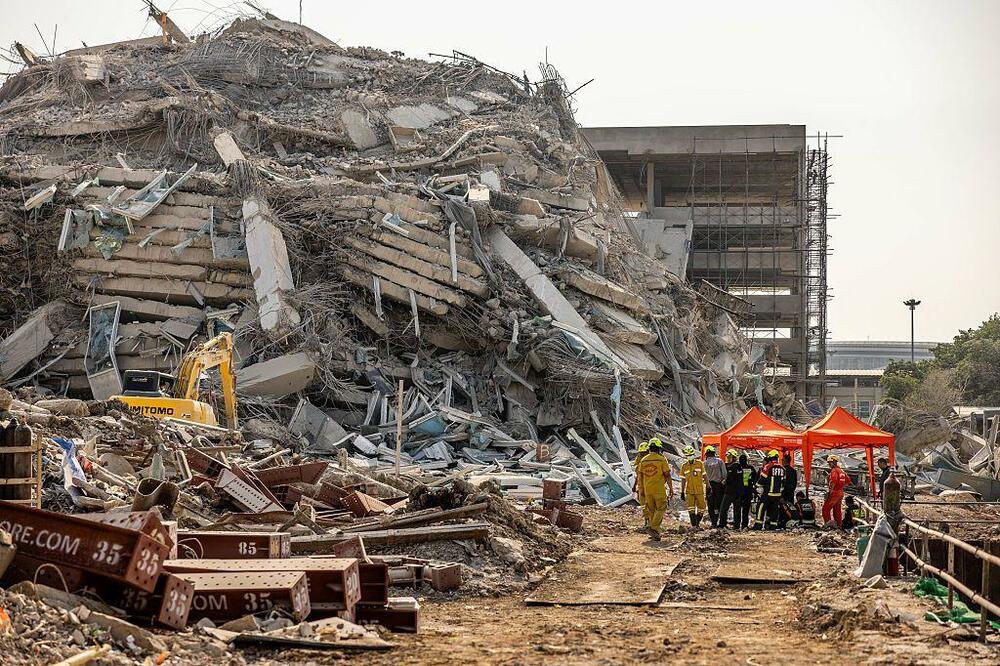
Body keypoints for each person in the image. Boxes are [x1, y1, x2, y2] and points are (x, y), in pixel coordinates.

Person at [637, 439, 673, 540]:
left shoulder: (643, 460)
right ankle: (653, 528)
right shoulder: (661, 459)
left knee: (652, 510)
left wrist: (641, 490)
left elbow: (640, 477)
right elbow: (667, 475)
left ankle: (655, 533)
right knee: (661, 507)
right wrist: (671, 488)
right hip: (659, 489)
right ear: (658, 448)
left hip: (648, 490)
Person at [755, 450, 786, 530]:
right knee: (774, 510)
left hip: (767, 493)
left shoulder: (768, 466)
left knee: (761, 508)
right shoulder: (782, 468)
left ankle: (758, 525)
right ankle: (773, 526)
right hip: (777, 495)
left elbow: (762, 480)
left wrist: (756, 487)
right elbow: (783, 483)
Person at [680, 446, 708, 528]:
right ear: (686, 456)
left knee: (702, 508)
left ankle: (697, 523)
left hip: (699, 490)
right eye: (688, 455)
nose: (690, 456)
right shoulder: (684, 466)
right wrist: (682, 492)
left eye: (691, 454)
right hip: (689, 491)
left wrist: (708, 486)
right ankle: (694, 526)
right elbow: (683, 480)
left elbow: (705, 476)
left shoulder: (700, 464)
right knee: (691, 509)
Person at [822, 454, 850, 528]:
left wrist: (830, 492)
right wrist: (840, 486)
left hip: (834, 492)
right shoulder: (842, 471)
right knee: (837, 510)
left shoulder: (834, 470)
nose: (829, 464)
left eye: (829, 462)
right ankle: (839, 525)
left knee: (825, 509)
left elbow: (833, 481)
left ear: (834, 462)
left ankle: (828, 524)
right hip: (840, 492)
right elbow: (847, 481)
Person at [703, 445, 727, 528]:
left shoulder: (704, 463)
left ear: (706, 454)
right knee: (718, 504)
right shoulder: (720, 461)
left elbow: (703, 477)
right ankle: (719, 521)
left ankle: (713, 523)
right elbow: (724, 474)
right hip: (719, 486)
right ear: (714, 453)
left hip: (709, 486)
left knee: (710, 504)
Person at [719, 449, 742, 529]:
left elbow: (729, 479)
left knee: (723, 509)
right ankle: (737, 526)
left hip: (730, 491)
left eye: (729, 457)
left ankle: (722, 524)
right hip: (737, 492)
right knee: (737, 510)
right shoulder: (738, 467)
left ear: (734, 458)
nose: (728, 459)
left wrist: (724, 482)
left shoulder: (733, 467)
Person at [632, 440, 651, 532]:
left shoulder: (651, 461)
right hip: (642, 487)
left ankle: (651, 525)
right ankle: (648, 524)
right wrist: (634, 486)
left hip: (648, 487)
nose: (643, 455)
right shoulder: (639, 462)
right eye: (642, 453)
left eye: (644, 453)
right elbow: (637, 476)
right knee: (645, 506)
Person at [737, 453, 756, 530]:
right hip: (748, 491)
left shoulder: (738, 468)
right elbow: (755, 478)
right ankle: (744, 525)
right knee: (745, 510)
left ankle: (737, 525)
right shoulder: (751, 468)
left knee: (738, 509)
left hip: (739, 491)